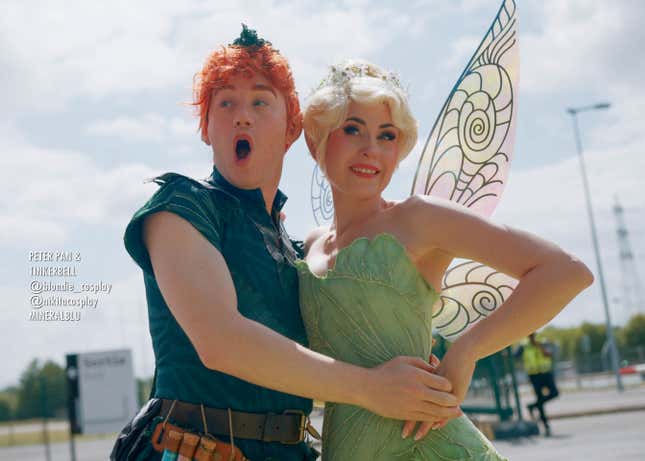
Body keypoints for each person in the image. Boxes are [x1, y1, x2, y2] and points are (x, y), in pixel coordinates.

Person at [111, 28, 459, 461]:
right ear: (206, 127)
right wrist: (372, 389)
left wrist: (417, 365)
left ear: (293, 127)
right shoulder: (178, 208)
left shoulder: (296, 253)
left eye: (260, 100)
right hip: (193, 451)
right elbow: (221, 341)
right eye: (225, 103)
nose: (243, 115)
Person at [297, 59, 594, 460]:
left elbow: (566, 272)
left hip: (432, 447)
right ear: (316, 139)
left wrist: (466, 351)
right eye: (353, 129)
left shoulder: (418, 218)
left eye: (387, 136)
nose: (371, 149)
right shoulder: (309, 247)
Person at [515, 332, 560, 436]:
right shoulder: (523, 345)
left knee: (555, 393)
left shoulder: (543, 342)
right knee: (540, 400)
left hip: (546, 373)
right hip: (534, 376)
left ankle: (532, 406)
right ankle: (546, 426)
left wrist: (538, 345)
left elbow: (549, 354)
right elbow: (515, 356)